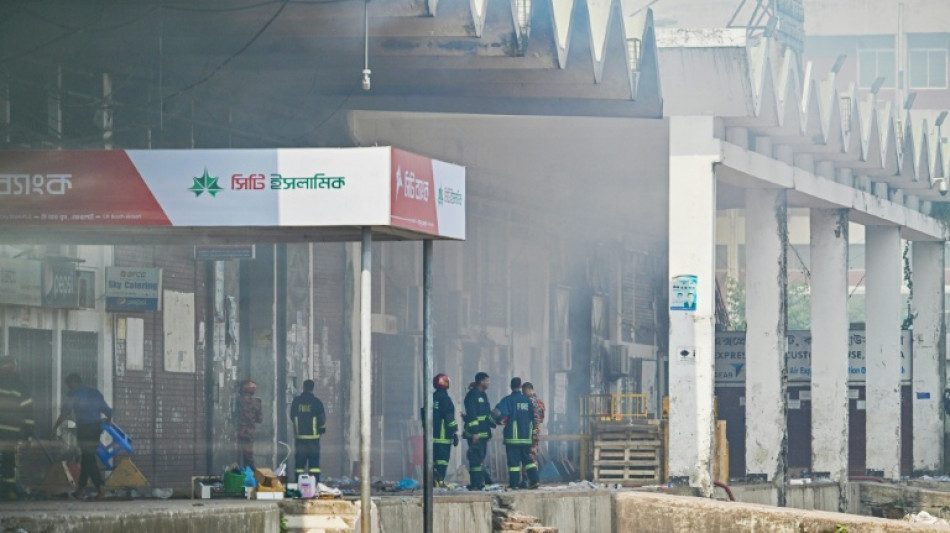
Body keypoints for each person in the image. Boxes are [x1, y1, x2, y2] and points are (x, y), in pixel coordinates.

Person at [53, 373, 112, 499]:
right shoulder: (94, 392)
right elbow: (108, 411)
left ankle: (100, 487)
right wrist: (108, 421)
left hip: (85, 429)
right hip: (96, 429)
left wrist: (55, 427)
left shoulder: (73, 394)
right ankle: (81, 489)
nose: (69, 388)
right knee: (87, 457)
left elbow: (64, 413)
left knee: (89, 458)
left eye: (69, 385)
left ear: (72, 383)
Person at [492, 377, 539, 489]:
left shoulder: (508, 400)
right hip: (526, 438)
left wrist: (492, 422)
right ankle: (535, 481)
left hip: (512, 438)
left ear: (511, 386)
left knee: (513, 464)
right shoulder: (528, 401)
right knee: (528, 461)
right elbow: (533, 419)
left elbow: (496, 413)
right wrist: (532, 435)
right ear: (520, 386)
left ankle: (514, 485)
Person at [0, 357, 33, 500]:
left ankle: (7, 490)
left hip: (8, 431)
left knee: (8, 461)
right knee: (8, 461)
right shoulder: (20, 385)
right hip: (10, 432)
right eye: (14, 366)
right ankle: (8, 491)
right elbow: (28, 411)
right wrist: (28, 432)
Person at [290, 379, 326, 482]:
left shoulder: (297, 401)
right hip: (313, 440)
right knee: (314, 465)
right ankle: (314, 486)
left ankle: (298, 485)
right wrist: (321, 430)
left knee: (299, 465)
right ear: (312, 388)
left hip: (300, 438)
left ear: (304, 387)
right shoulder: (316, 402)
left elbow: (292, 416)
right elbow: (322, 419)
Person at [462, 372, 494, 490]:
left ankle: (479, 482)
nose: (489, 383)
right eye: (487, 380)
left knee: (481, 458)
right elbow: (472, 415)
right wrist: (475, 432)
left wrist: (492, 425)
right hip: (476, 434)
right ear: (481, 381)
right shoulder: (472, 396)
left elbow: (486, 414)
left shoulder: (483, 395)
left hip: (484, 433)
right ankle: (475, 483)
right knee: (475, 459)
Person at [431, 373, 458, 488]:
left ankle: (433, 481)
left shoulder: (431, 397)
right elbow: (449, 417)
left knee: (434, 460)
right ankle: (440, 481)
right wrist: (454, 431)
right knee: (442, 460)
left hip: (432, 435)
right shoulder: (445, 399)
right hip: (443, 435)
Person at [236, 380, 262, 468]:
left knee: (237, 457)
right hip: (249, 433)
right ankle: (250, 474)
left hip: (238, 432)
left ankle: (238, 474)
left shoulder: (238, 401)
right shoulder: (257, 402)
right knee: (249, 457)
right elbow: (259, 419)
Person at [521, 382, 545, 464]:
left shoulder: (525, 402)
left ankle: (527, 475)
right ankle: (534, 474)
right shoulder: (540, 403)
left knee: (526, 457)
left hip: (527, 432)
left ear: (526, 390)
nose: (523, 394)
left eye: (523, 392)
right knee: (534, 455)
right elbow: (541, 419)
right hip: (536, 433)